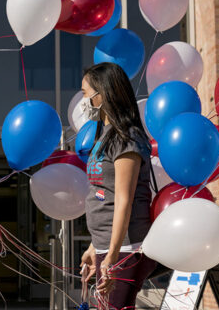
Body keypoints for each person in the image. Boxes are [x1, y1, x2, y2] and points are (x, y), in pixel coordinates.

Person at [78, 62, 157, 309]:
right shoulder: (104, 135)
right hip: (109, 248)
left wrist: (111, 256)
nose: (83, 100)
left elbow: (124, 200)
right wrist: (95, 246)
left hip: (126, 249)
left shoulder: (127, 137)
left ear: (102, 94)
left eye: (85, 93)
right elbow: (104, 194)